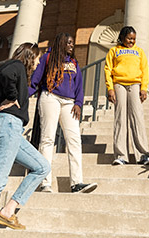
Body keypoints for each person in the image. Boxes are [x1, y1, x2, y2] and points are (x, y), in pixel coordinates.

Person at [0, 43, 51, 237]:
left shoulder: (18, 71)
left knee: (42, 167)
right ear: (30, 56)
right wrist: (12, 96)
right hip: (8, 125)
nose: (39, 62)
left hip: (13, 128)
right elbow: (5, 74)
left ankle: (8, 211)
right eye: (37, 58)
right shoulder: (16, 66)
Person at [29, 33, 97, 193]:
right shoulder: (48, 57)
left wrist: (79, 104)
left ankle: (76, 183)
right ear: (61, 43)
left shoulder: (74, 62)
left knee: (74, 140)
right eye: (69, 43)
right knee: (47, 139)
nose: (71, 46)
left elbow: (79, 86)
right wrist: (21, 97)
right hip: (50, 97)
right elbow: (35, 81)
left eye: (73, 43)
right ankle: (45, 182)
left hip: (69, 103)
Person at [104, 26, 149, 166]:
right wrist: (110, 89)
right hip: (118, 84)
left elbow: (145, 69)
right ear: (122, 37)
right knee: (120, 119)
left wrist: (144, 88)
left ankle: (143, 155)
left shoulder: (139, 51)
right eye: (129, 38)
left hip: (135, 85)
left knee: (137, 118)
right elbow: (108, 70)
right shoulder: (114, 51)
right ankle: (121, 155)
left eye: (134, 39)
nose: (132, 41)